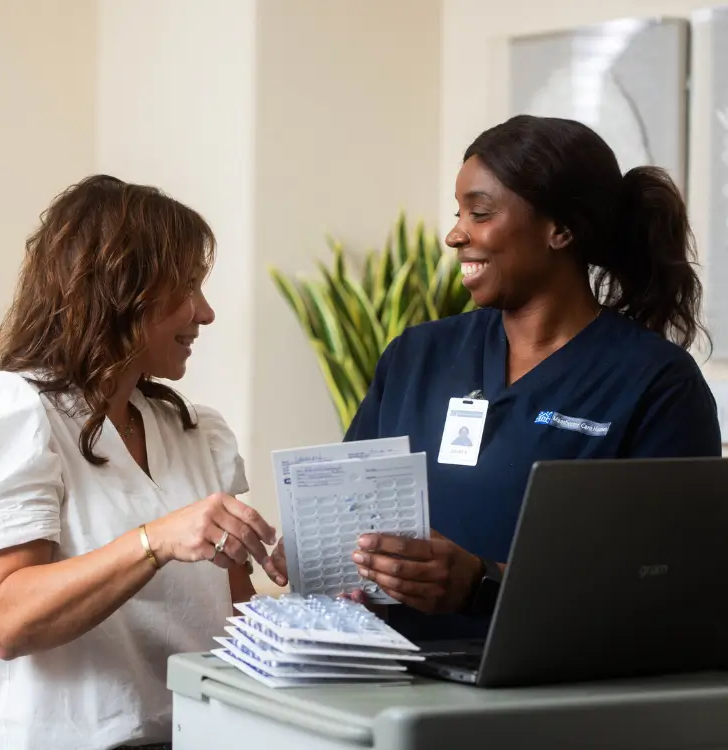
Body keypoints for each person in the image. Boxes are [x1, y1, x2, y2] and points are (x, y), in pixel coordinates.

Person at [273, 114, 722, 643]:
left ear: (561, 230)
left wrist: (482, 584)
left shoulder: (656, 383)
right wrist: (322, 550)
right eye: (458, 211)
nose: (454, 234)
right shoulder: (416, 356)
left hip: (546, 700)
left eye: (480, 212)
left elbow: (669, 586)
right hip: (385, 682)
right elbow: (353, 511)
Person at [0, 175, 286, 750]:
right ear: (120, 289)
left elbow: (240, 628)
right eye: (189, 285)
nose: (207, 312)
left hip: (199, 737)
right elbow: (4, 620)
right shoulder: (19, 413)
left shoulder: (198, 433)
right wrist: (155, 541)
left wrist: (314, 589)